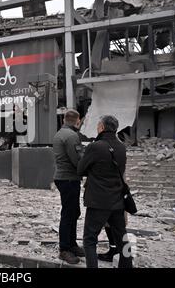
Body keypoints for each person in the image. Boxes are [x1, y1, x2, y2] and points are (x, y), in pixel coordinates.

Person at [78, 115, 133, 268]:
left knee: (89, 240)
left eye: (97, 125)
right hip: (117, 200)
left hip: (98, 201)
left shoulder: (95, 146)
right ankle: (127, 265)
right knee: (122, 238)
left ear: (101, 127)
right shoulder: (122, 146)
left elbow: (81, 169)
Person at [53, 109, 85, 264]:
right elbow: (77, 160)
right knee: (68, 213)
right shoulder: (72, 136)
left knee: (73, 211)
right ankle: (65, 249)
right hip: (69, 178)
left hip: (64, 178)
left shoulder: (60, 133)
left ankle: (71, 244)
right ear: (77, 120)